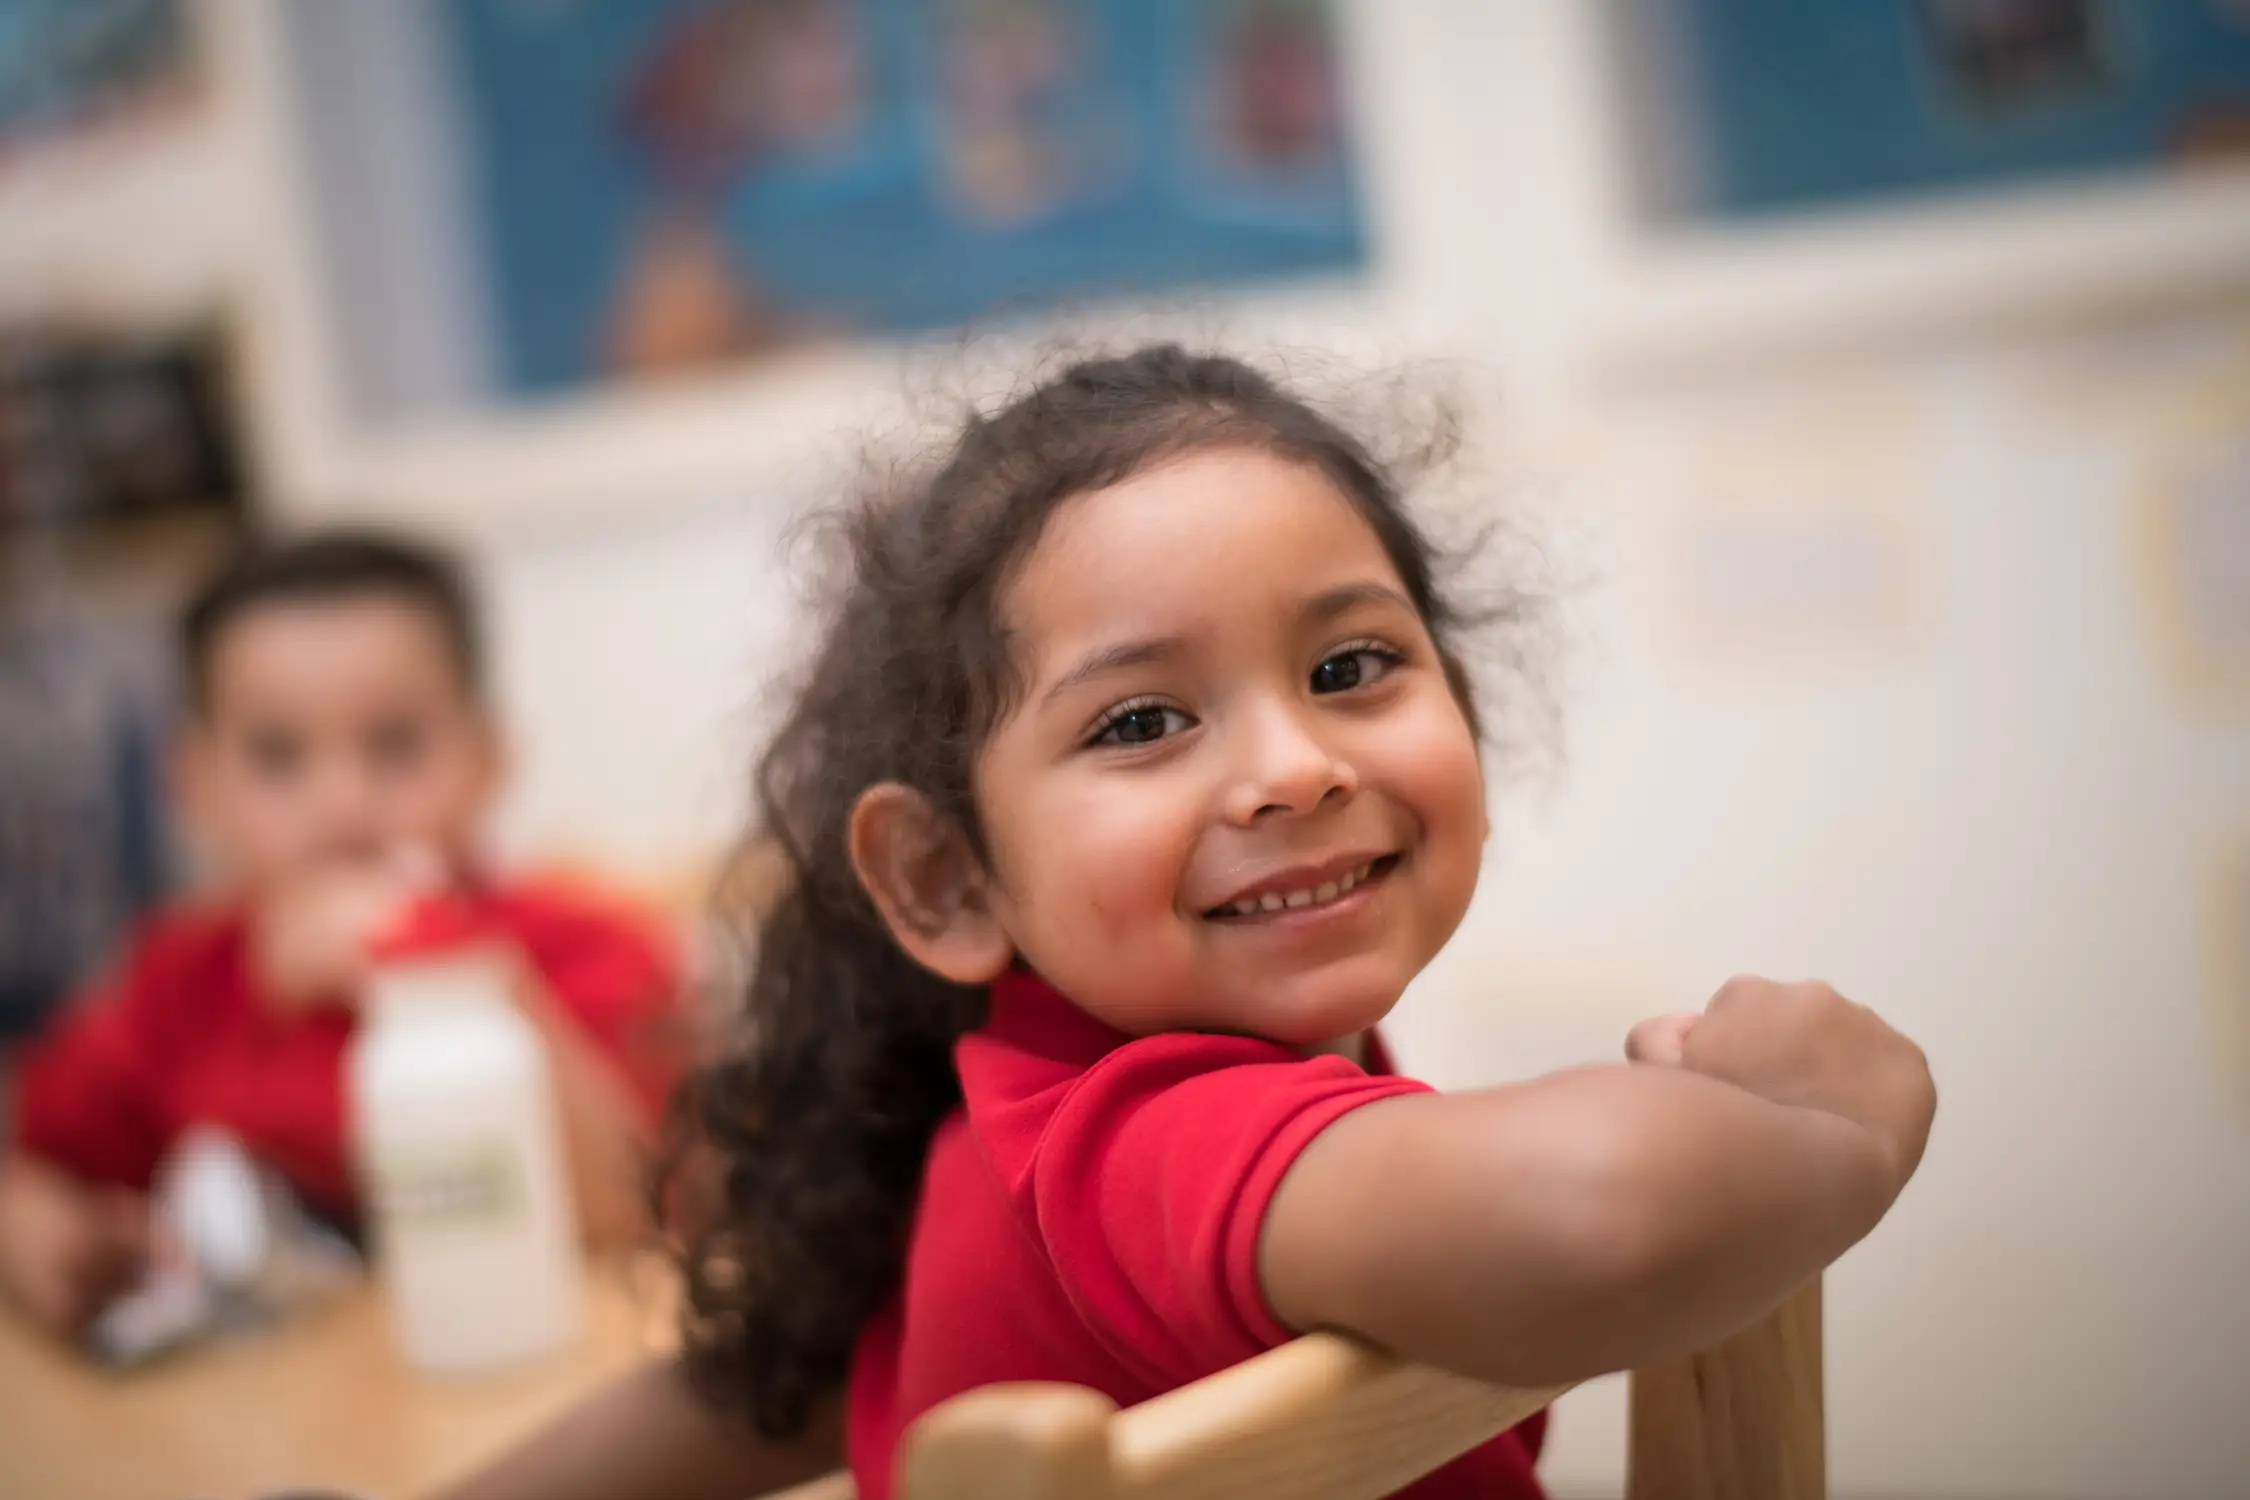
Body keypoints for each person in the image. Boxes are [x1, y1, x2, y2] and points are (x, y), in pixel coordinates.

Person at [438, 345, 1936, 1500]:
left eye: (1351, 667)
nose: (1295, 767)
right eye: (1144, 720)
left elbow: (741, 1394)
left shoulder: (1031, 1124)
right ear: (945, 880)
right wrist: (1847, 1130)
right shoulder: (1136, 1137)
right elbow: (1596, 1213)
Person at [0, 531, 684, 1341]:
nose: (342, 802)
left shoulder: (583, 948)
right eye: (277, 755)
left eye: (395, 744)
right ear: (194, 782)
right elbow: (35, 1157)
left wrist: (440, 969)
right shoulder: (178, 981)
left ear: (488, 758)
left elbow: (633, 1210)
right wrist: (36, 1233)